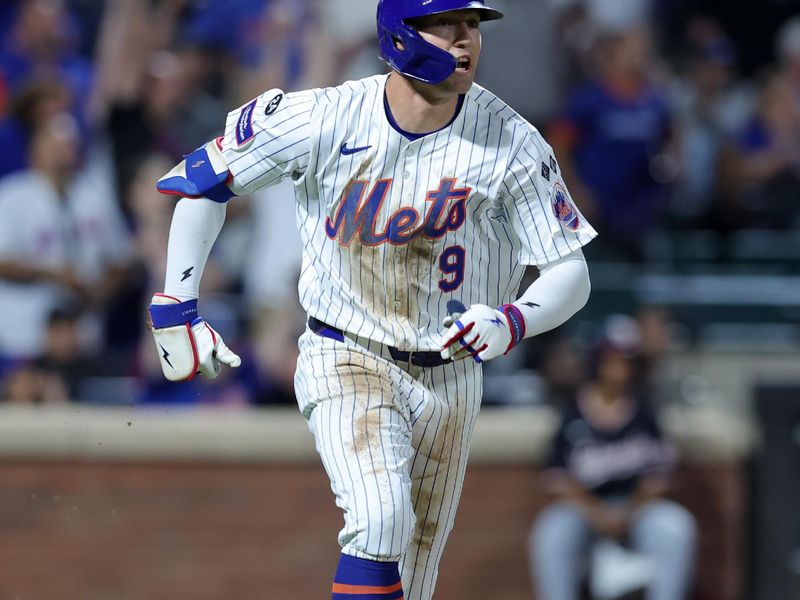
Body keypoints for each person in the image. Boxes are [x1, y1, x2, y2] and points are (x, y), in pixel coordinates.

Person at [147, 1, 596, 598]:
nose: (467, 41)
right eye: (447, 25)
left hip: (451, 375)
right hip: (347, 351)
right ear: (400, 33)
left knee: (411, 579)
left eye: (473, 26)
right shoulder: (326, 115)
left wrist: (515, 320)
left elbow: (571, 271)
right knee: (381, 520)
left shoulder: (510, 139)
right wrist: (177, 305)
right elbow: (201, 185)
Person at [529, 315, 697, 600]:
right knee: (551, 533)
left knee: (676, 527)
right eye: (613, 360)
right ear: (598, 361)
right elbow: (557, 478)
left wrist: (629, 512)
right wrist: (597, 514)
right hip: (584, 510)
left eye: (627, 362)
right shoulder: (573, 409)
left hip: (637, 510)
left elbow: (660, 475)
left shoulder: (645, 409)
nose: (620, 370)